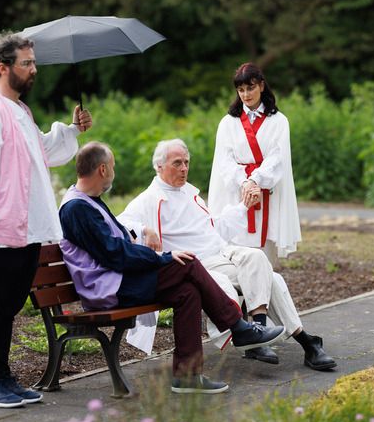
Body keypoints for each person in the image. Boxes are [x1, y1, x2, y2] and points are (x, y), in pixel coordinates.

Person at [58, 141, 286, 394]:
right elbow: (115, 254)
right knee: (186, 262)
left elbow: (117, 244)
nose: (114, 172)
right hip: (109, 288)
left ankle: (188, 375)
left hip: (119, 281)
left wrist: (147, 239)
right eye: (112, 167)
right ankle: (239, 328)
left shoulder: (89, 202)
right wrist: (163, 257)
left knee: (188, 291)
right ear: (102, 170)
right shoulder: (77, 208)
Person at [118, 139, 336, 370]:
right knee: (272, 280)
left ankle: (258, 333)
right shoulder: (147, 200)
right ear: (159, 167)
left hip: (221, 253)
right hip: (197, 265)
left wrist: (244, 206)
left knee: (257, 258)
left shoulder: (190, 194)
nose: (184, 168)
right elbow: (120, 222)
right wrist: (144, 230)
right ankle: (307, 342)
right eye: (177, 163)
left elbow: (214, 228)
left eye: (186, 162)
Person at [0, 32, 93, 408]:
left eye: (34, 62)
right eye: (27, 63)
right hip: (0, 231)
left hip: (27, 229)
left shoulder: (19, 110)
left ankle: (2, 376)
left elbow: (41, 152)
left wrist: (72, 130)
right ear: (3, 67)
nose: (34, 69)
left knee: (7, 306)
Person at [208, 62, 301, 268]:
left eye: (250, 88)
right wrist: (244, 182)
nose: (245, 94)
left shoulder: (278, 121)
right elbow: (224, 160)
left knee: (265, 257)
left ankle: (264, 297)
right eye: (240, 89)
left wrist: (255, 179)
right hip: (238, 192)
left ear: (261, 85)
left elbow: (277, 158)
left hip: (265, 191)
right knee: (235, 251)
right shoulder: (228, 123)